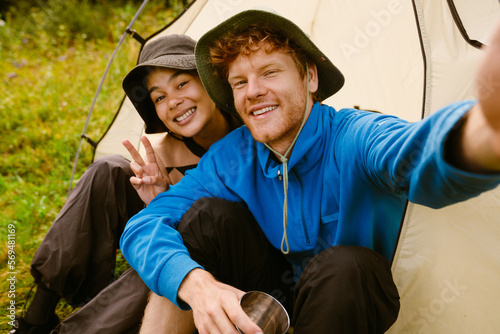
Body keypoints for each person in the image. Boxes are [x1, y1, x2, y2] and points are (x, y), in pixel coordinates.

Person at [120, 9, 500, 334]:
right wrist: (196, 284)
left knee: (348, 265)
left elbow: (417, 154)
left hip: (342, 304)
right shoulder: (232, 157)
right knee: (206, 217)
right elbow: (144, 225)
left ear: (310, 78)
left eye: (269, 73)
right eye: (239, 83)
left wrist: (485, 130)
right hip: (267, 301)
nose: (252, 92)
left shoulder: (353, 135)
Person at [10, 34, 241, 334]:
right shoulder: (163, 153)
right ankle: (39, 313)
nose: (173, 102)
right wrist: (157, 199)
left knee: (180, 238)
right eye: (159, 97)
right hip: (175, 227)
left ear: (208, 79)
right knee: (108, 169)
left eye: (181, 84)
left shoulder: (250, 131)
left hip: (226, 251)